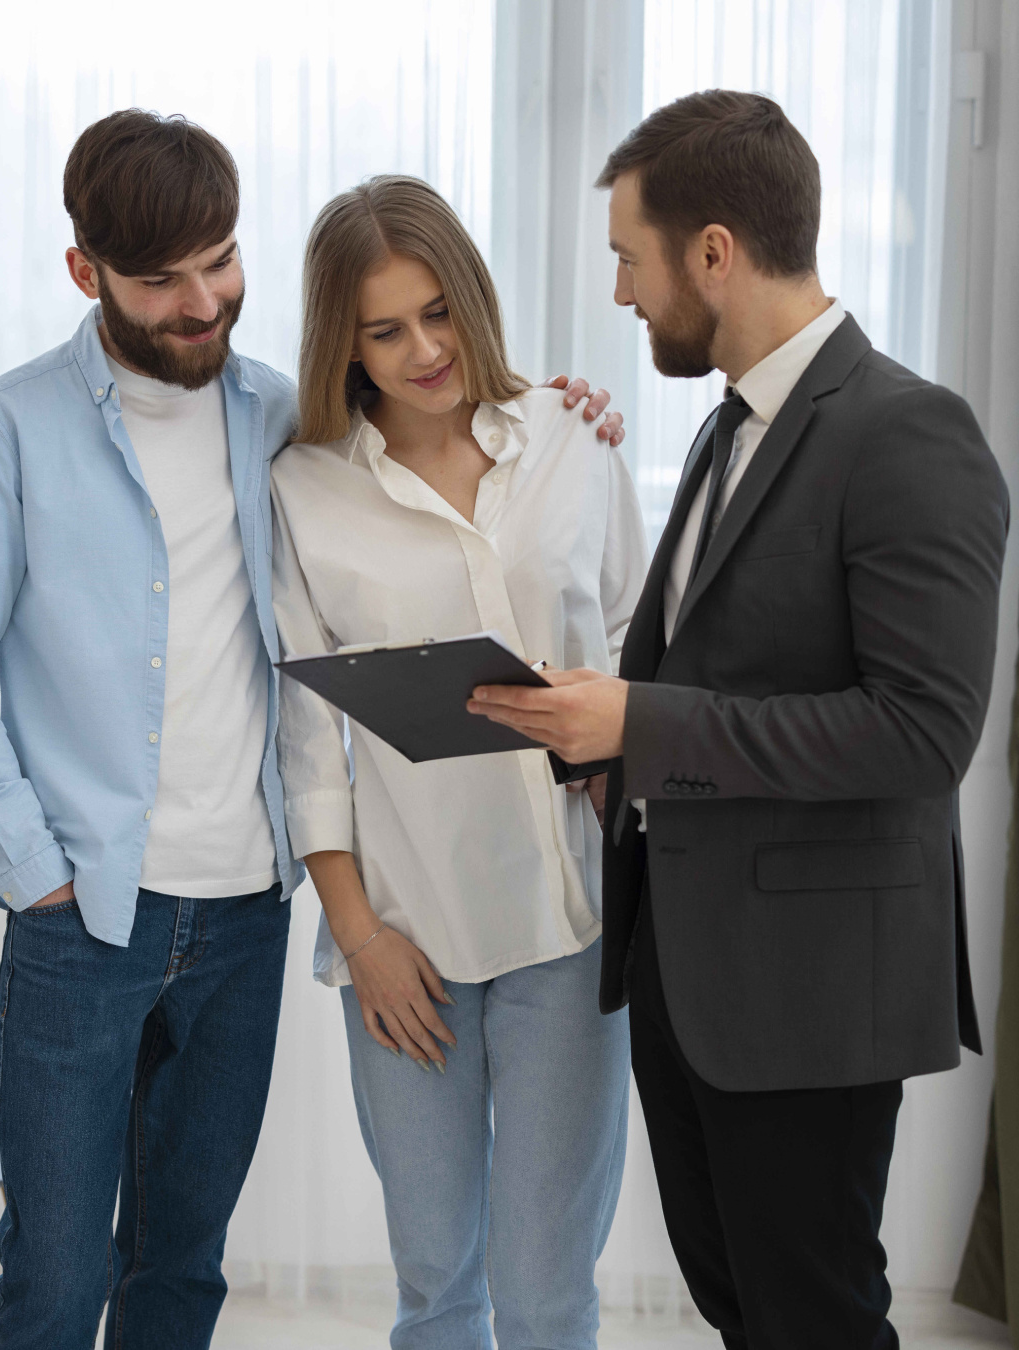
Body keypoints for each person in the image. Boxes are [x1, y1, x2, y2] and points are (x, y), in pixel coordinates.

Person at [0, 110, 623, 1349]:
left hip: (243, 916)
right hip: (89, 918)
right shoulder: (11, 430)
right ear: (87, 275)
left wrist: (574, 410)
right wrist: (38, 875)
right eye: (159, 278)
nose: (200, 301)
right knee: (58, 1279)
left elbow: (560, 617)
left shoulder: (281, 421)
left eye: (220, 262)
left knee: (184, 1268)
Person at [466, 90, 1008, 1347]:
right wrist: (603, 749)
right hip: (690, 970)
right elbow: (721, 672)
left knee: (811, 1314)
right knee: (740, 1306)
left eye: (627, 258)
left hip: (810, 994)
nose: (619, 294)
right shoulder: (727, 427)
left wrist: (643, 725)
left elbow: (924, 730)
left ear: (714, 250)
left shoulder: (909, 433)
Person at [271, 174, 645, 1348]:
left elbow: (640, 643)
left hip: (571, 920)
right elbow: (306, 742)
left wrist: (613, 745)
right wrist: (362, 940)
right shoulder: (302, 488)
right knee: (438, 1289)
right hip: (407, 937)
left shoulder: (574, 438)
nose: (424, 349)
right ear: (344, 340)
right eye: (384, 329)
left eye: (440, 311)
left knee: (544, 1293)